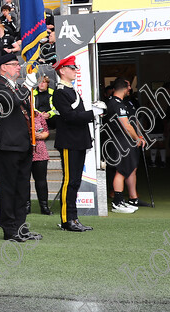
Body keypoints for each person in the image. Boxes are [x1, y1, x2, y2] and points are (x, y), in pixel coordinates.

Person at [0, 53, 43, 242]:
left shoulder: (16, 87)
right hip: (7, 146)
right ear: (3, 67)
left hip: (22, 144)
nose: (18, 67)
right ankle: (9, 228)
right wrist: (27, 85)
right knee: (9, 189)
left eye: (18, 64)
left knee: (23, 190)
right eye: (14, 64)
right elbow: (11, 103)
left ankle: (21, 227)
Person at [52, 55, 104, 232]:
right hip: (69, 142)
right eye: (72, 68)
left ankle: (73, 218)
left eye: (75, 68)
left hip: (78, 141)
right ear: (62, 71)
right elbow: (70, 117)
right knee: (69, 181)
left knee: (75, 181)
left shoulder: (71, 91)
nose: (75, 71)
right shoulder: (59, 92)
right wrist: (92, 113)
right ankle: (68, 220)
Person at [104, 78, 143, 214]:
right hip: (120, 140)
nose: (130, 90)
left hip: (120, 140)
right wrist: (137, 138)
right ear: (125, 89)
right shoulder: (116, 104)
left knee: (125, 169)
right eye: (129, 88)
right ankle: (117, 203)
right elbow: (126, 125)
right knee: (121, 171)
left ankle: (122, 201)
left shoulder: (116, 102)